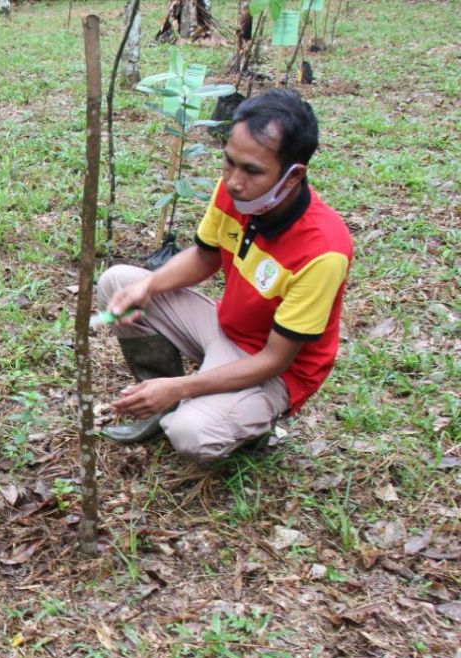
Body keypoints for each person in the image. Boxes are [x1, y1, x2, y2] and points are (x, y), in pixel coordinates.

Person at [98, 89, 353, 463]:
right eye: (229, 163)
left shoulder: (323, 251)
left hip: (273, 369)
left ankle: (246, 424)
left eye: (252, 170)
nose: (233, 181)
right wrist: (148, 285)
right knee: (117, 282)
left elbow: (275, 360)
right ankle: (159, 404)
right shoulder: (235, 194)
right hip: (225, 328)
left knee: (192, 435)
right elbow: (205, 257)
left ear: (294, 174)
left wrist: (182, 387)